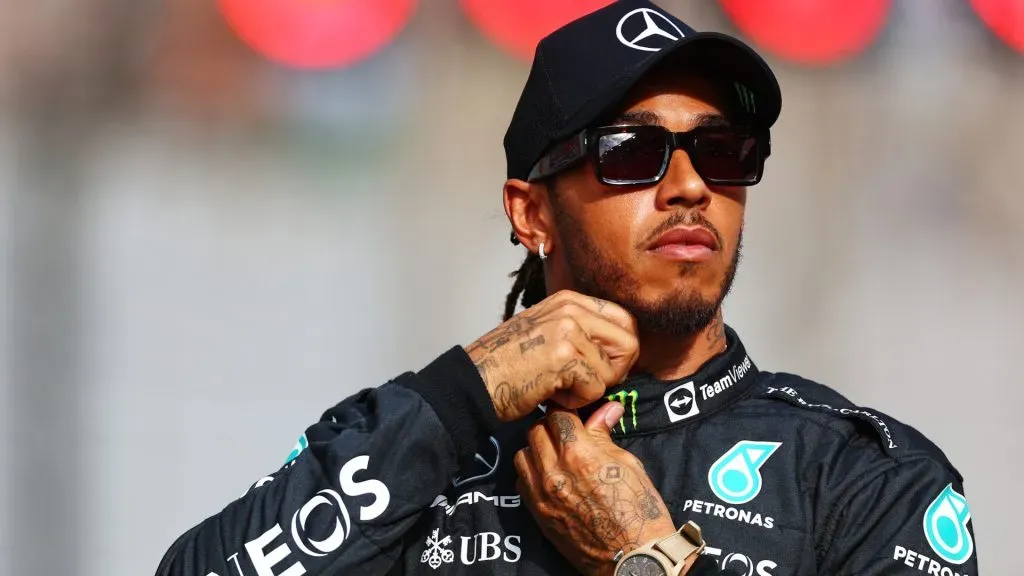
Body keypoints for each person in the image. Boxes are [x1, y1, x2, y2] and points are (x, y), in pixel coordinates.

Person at [155, 2, 979, 575]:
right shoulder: (430, 448)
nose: (690, 185)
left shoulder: (866, 477)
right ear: (532, 213)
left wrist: (649, 561)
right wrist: (456, 398)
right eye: (632, 152)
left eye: (723, 151)